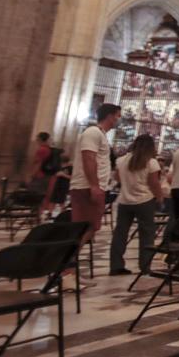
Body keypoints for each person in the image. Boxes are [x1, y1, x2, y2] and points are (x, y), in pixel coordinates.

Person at [109, 135, 166, 275]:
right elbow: (154, 183)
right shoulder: (151, 162)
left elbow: (116, 178)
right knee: (147, 234)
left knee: (120, 233)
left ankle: (116, 265)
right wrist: (159, 198)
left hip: (124, 200)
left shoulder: (121, 160)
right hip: (145, 201)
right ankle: (145, 265)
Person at [70, 104, 122, 251]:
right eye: (118, 116)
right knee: (84, 229)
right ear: (110, 116)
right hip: (86, 187)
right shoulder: (93, 132)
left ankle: (68, 263)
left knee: (91, 228)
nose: (119, 120)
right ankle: (66, 264)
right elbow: (88, 158)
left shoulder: (101, 134)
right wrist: (94, 185)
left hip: (94, 187)